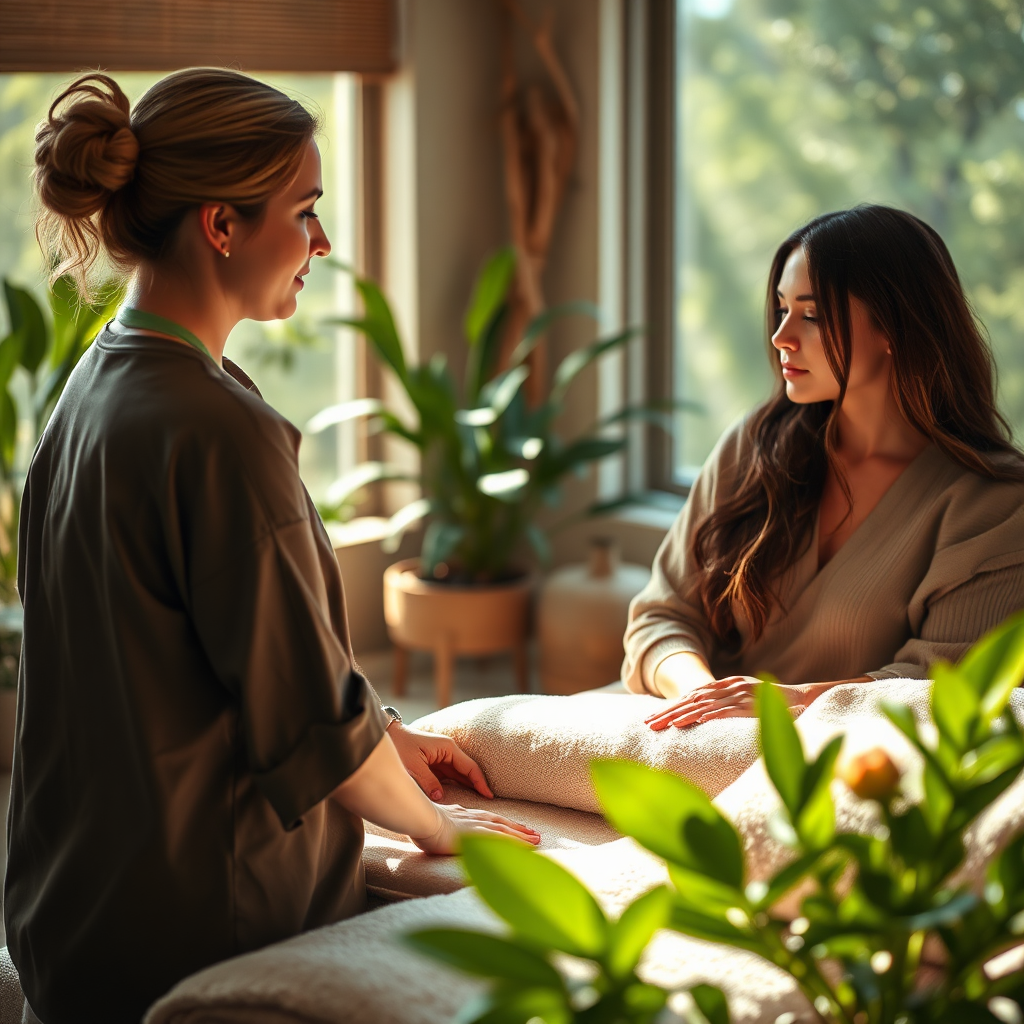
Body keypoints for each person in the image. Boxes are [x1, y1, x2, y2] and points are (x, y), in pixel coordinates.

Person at [7, 69, 538, 1024]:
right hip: (195, 938)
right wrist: (439, 830)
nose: (321, 243)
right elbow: (311, 735)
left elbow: (201, 652)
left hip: (66, 921)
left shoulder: (90, 389)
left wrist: (381, 725)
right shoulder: (213, 428)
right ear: (221, 225)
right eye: (305, 211)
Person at [623, 205, 1024, 731]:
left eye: (810, 315)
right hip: (690, 736)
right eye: (782, 309)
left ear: (894, 327)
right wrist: (705, 701)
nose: (781, 337)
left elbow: (945, 689)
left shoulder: (995, 504)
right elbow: (662, 616)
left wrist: (793, 702)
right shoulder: (754, 445)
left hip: (856, 768)